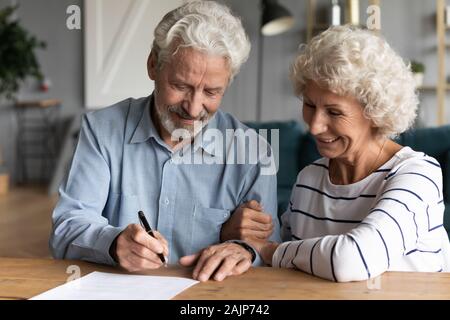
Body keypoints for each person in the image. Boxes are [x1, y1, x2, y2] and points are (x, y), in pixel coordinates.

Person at [50, 1, 280, 282]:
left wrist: (242, 247)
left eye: (211, 92)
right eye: (181, 86)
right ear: (152, 65)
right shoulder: (101, 130)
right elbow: (66, 228)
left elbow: (270, 251)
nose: (194, 109)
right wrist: (112, 243)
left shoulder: (254, 153)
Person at [244, 25, 450, 282]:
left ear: (375, 112)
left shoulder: (418, 175)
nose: (315, 126)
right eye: (309, 105)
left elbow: (353, 260)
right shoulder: (309, 178)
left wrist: (270, 251)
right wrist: (247, 236)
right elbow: (283, 261)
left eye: (334, 112)